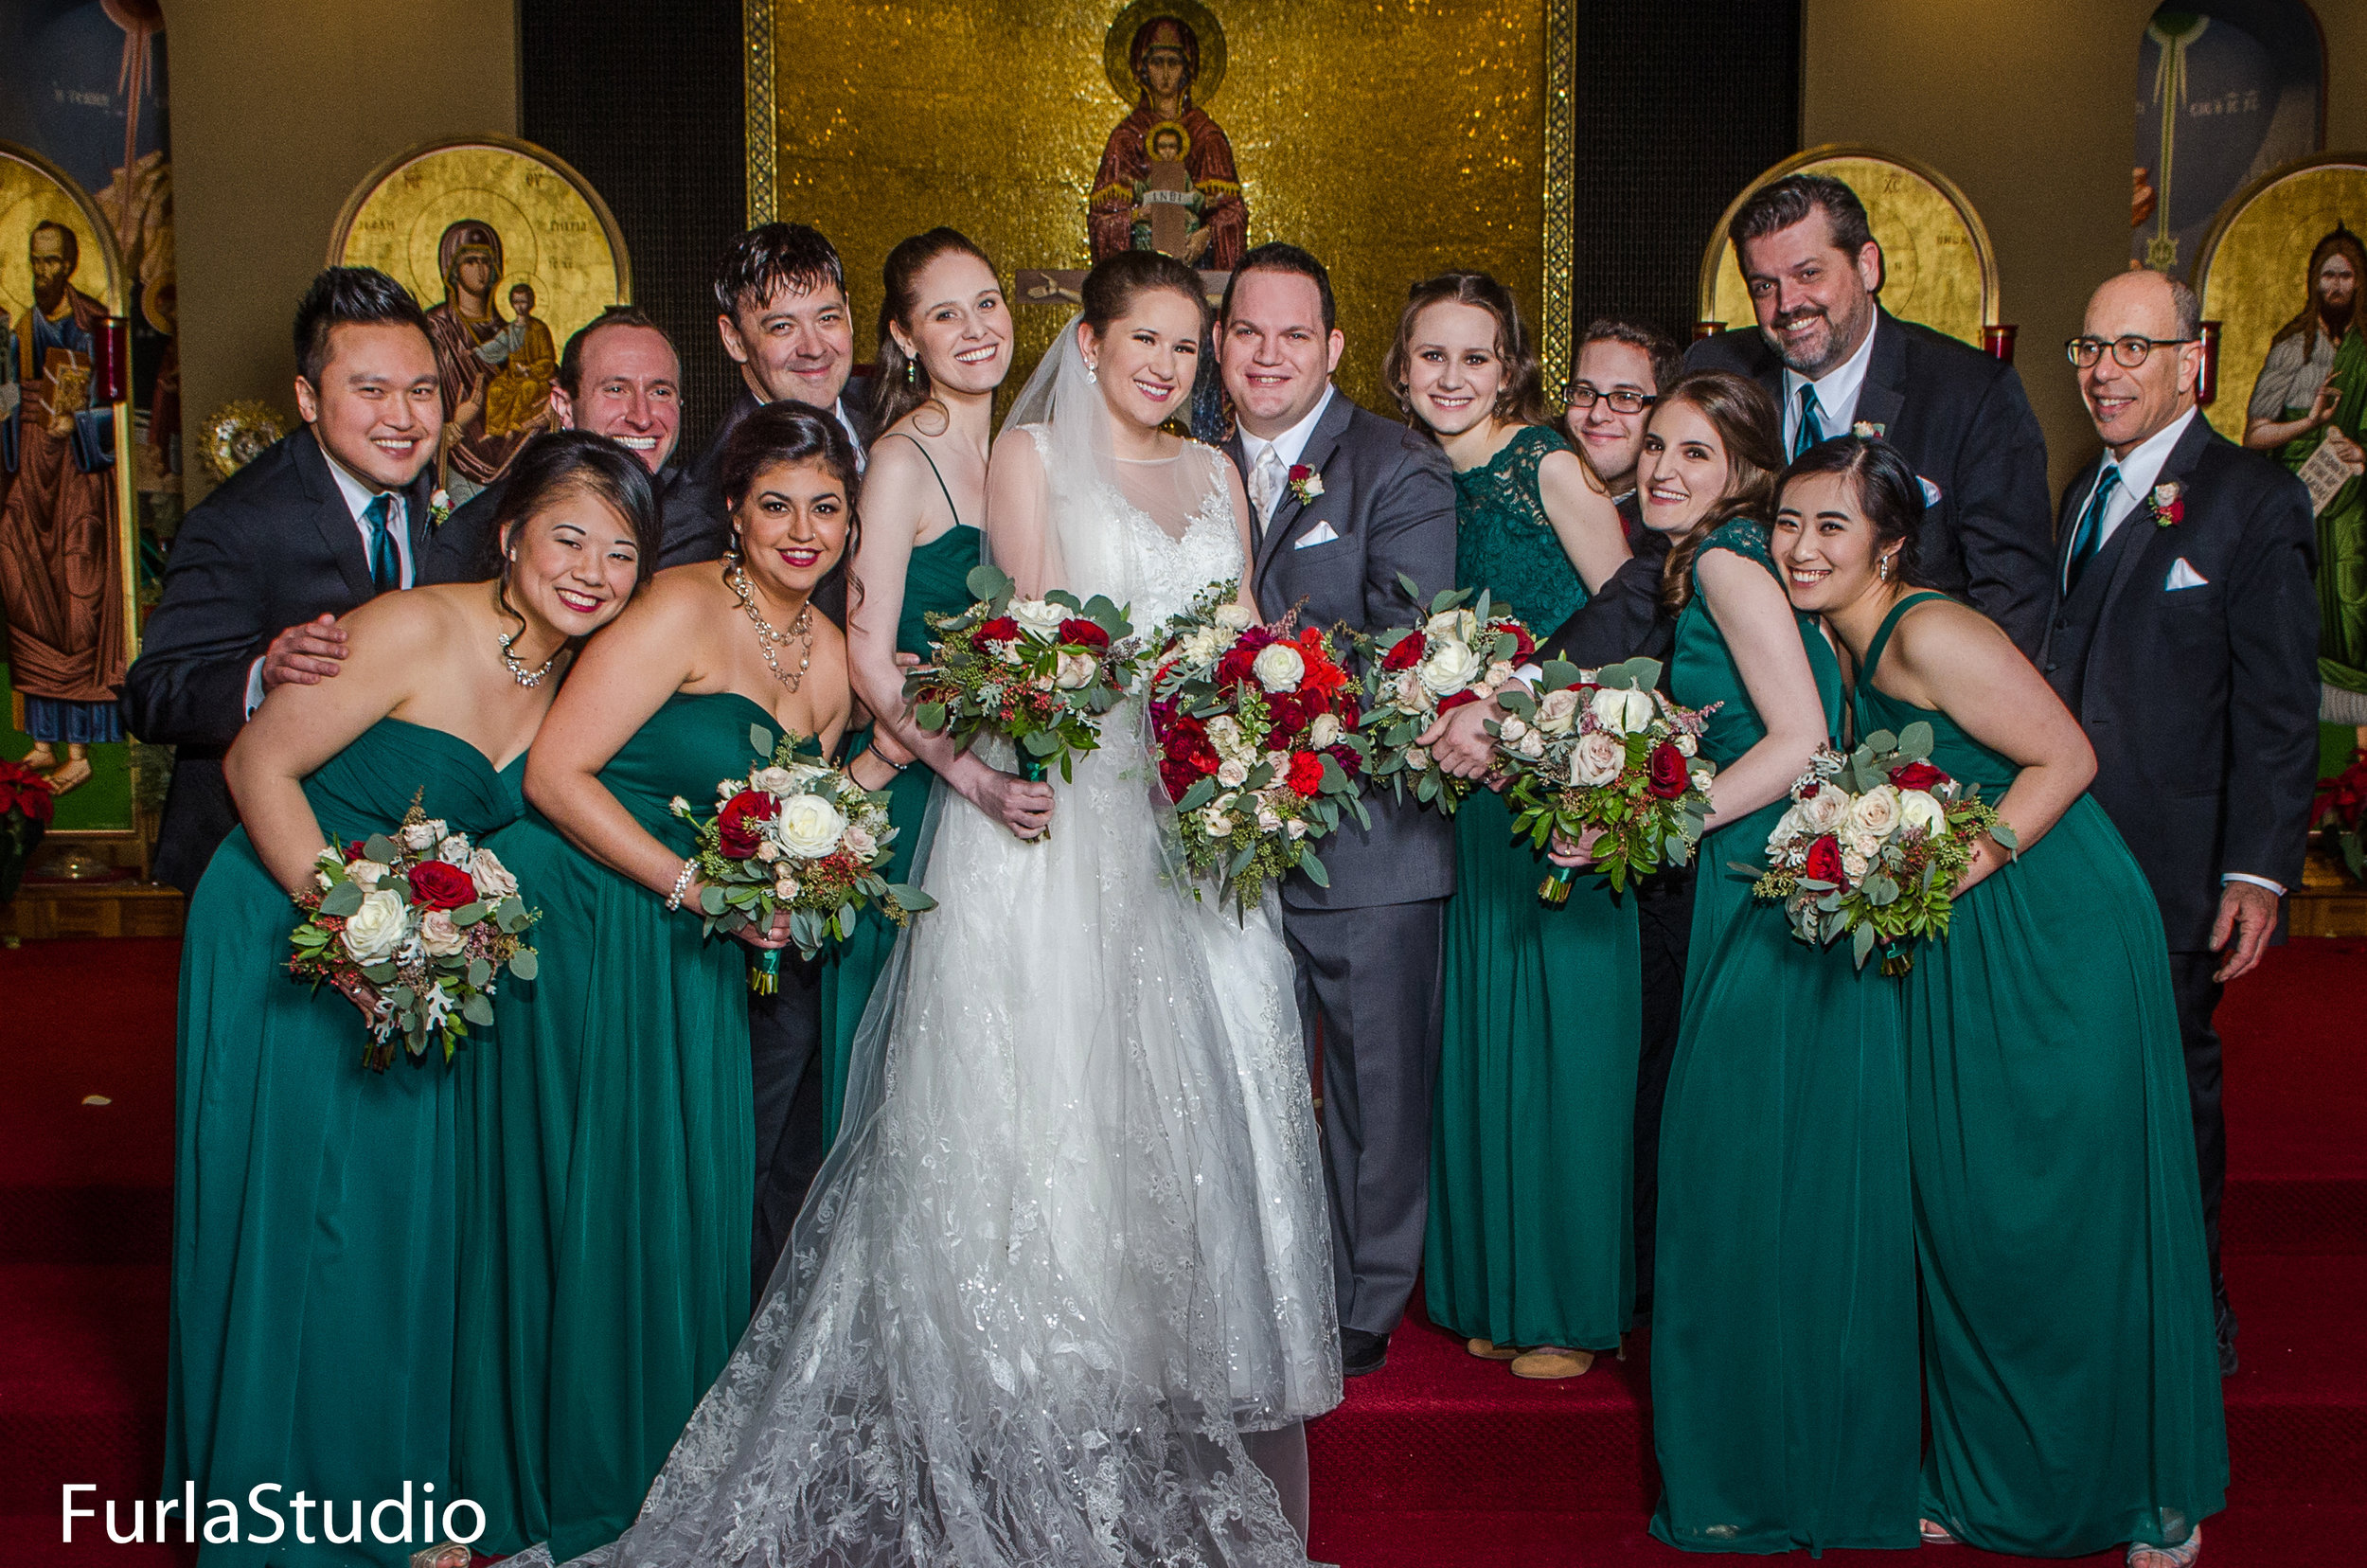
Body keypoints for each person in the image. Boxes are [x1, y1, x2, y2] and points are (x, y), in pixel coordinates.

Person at [591, 249, 1335, 1566]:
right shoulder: (1029, 462)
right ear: (1092, 344)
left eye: (1184, 344)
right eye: (1141, 340)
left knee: (1201, 1092)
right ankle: (1040, 1372)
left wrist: (1259, 737)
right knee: (1047, 1090)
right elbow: (1033, 642)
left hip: (1197, 825)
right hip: (1062, 819)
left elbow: (1242, 635)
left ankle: (1171, 1362)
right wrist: (988, 770)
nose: (1164, 365)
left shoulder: (1219, 473)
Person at [165, 430, 651, 1568]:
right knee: (298, 1213)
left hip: (417, 957)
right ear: (509, 532)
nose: (590, 569)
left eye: (620, 552)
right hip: (285, 923)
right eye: (567, 535)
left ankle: (385, 1496)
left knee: (393, 1222)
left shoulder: (576, 673)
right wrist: (353, 926)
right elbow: (256, 769)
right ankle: (277, 1514)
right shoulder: (413, 626)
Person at [1782, 434, 2229, 1567]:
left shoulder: (1927, 629)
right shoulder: (1836, 641)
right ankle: (1994, 1473)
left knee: (2051, 1210)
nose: (1801, 545)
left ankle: (2135, 1492)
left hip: (2052, 930)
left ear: (1889, 543)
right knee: (1971, 1212)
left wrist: (1938, 869)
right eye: (1788, 522)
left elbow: (2066, 760)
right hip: (1962, 936)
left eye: (1832, 526)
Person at [449, 402, 855, 1560]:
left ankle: (672, 1449)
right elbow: (558, 777)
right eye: (775, 503)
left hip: (700, 958)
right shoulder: (678, 604)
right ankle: (580, 1456)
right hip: (590, 924)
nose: (801, 529)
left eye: (826, 508)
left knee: (694, 1196)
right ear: (731, 510)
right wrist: (699, 894)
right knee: (603, 1193)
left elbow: (806, 817)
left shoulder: (827, 659)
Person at [1621, 377, 1917, 1553]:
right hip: (1750, 875)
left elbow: (1804, 742)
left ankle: (1755, 1476)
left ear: (1746, 471)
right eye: (1652, 446)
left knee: (1729, 1179)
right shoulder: (1726, 558)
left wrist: (1669, 817)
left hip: (1752, 880)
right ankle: (1784, 1457)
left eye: (1695, 451)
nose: (1662, 468)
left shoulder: (1734, 561)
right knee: (1763, 1176)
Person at [2045, 269, 2320, 1378]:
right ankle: (2087, 1298)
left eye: (2131, 349)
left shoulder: (2253, 499)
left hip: (2173, 870)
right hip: (2064, 859)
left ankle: (2187, 1317)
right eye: (2090, 349)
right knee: (2077, 1093)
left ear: (2187, 362)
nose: (2104, 372)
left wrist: (2258, 871)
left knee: (2167, 1096)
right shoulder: (2082, 489)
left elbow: (2276, 704)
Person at [1215, 241, 1458, 1378]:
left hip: (1367, 833)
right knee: (1233, 1067)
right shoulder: (1179, 456)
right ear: (1222, 343)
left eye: (1293, 335)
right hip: (1218, 834)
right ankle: (1250, 1272)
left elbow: (1408, 646)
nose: (1269, 355)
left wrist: (1252, 678)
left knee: (1375, 1078)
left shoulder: (1398, 466)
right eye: (1248, 332)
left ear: (1334, 348)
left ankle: (1365, 1294)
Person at [1390, 272, 1637, 1381]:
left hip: (1557, 784)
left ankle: (1563, 1304)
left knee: (1559, 1044)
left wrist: (1518, 702)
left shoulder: (1546, 466)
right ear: (1399, 368)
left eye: (1475, 358)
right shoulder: (1408, 475)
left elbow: (1636, 606)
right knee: (1483, 1038)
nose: (1452, 378)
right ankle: (1491, 1285)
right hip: (1465, 798)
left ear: (1511, 369)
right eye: (1431, 357)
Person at [123, 267, 459, 894]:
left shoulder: (434, 505)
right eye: (371, 392)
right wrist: (261, 676)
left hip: (389, 843)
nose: (404, 418)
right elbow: (151, 695)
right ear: (307, 399)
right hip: (248, 860)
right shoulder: (236, 522)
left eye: (421, 391)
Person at [682, 223, 871, 1289]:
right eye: (778, 322)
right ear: (733, 339)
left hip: (867, 818)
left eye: (827, 317)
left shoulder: (901, 433)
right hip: (733, 864)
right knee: (756, 1105)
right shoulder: (692, 494)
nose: (810, 343)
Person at [821, 227, 1028, 1161]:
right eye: (946, 313)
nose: (977, 327)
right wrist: (970, 777)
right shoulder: (903, 461)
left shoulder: (1026, 453)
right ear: (905, 338)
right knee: (914, 1054)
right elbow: (870, 661)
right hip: (922, 784)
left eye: (986, 302)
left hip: (1018, 774)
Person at [1686, 172, 2055, 655]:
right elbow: (1666, 552)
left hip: (1909, 704)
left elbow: (2014, 596)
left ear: (1867, 266)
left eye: (1808, 274)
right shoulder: (1715, 372)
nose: (1787, 304)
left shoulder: (1971, 394)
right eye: (1763, 286)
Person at [1554, 317, 1689, 1321]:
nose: (1602, 413)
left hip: (1674, 835)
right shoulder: (1541, 494)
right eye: (1585, 392)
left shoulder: (1688, 547)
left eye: (1628, 399)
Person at [427, 308, 721, 579]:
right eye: (616, 390)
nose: (642, 418)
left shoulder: (706, 520)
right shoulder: (473, 533)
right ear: (565, 406)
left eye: (660, 392)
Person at [0, 220, 122, 794]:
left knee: (80, 594)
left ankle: (79, 751)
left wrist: (77, 418)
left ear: (70, 265)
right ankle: (44, 742)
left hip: (75, 476)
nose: (42, 271)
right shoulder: (20, 329)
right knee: (20, 580)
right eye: (34, 260)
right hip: (31, 469)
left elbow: (109, 408)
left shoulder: (94, 323)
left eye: (52, 261)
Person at [2243, 224, 2366, 728]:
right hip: (2299, 499)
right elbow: (2255, 436)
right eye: (2327, 276)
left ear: (2360, 283)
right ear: (2314, 281)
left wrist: (2361, 451)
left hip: (2354, 505)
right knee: (2296, 608)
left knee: (2352, 602)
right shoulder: (2293, 349)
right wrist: (2309, 424)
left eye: (2346, 276)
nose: (2335, 286)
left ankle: (2354, 724)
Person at [688, 223, 874, 504]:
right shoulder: (702, 498)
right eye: (782, 327)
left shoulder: (892, 409)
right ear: (734, 339)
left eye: (827, 319)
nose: (813, 349)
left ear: (847, 314)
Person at [1088, 14, 1245, 268]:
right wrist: (1137, 216)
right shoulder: (1125, 139)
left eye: (1173, 63)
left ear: (1187, 68)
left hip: (1196, 268)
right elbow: (1102, 219)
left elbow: (1232, 213)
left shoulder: (1207, 137)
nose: (1165, 74)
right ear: (1143, 68)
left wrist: (1206, 234)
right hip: (1140, 270)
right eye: (1156, 63)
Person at [423, 220, 542, 502]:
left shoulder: (515, 333)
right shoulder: (434, 331)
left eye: (487, 262)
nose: (480, 270)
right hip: (458, 465)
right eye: (470, 261)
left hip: (516, 468)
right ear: (452, 269)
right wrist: (457, 425)